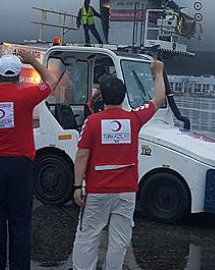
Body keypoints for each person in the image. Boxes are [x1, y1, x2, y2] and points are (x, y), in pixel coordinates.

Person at [71, 58, 167, 270]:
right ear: (124, 96)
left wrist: (77, 186)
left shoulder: (93, 122)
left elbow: (82, 156)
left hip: (98, 190)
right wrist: (158, 72)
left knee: (88, 235)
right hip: (126, 191)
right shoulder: (134, 119)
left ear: (101, 97)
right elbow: (158, 99)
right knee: (119, 239)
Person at [0, 49, 58, 270]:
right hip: (20, 165)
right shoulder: (26, 97)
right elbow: (51, 81)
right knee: (20, 221)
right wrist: (33, 61)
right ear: (18, 77)